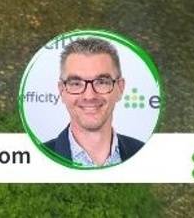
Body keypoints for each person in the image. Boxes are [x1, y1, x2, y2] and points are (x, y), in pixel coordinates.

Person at [43, 37, 145, 167]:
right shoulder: (38, 160)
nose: (89, 95)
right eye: (76, 83)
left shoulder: (146, 154)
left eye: (101, 82)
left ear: (120, 88)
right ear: (62, 91)